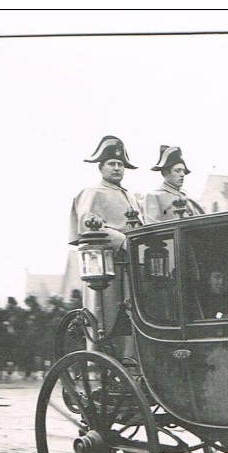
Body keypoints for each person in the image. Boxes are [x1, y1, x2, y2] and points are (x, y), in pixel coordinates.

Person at [67, 135, 143, 356]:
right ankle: (103, 364)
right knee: (106, 316)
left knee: (133, 314)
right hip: (107, 266)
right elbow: (88, 225)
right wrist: (122, 240)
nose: (117, 168)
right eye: (112, 164)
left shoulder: (129, 195)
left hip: (131, 264)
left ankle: (131, 363)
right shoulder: (93, 193)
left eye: (120, 165)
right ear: (101, 168)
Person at [143, 145, 206, 222]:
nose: (182, 174)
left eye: (183, 170)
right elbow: (152, 227)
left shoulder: (186, 195)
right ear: (165, 173)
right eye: (178, 170)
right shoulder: (153, 196)